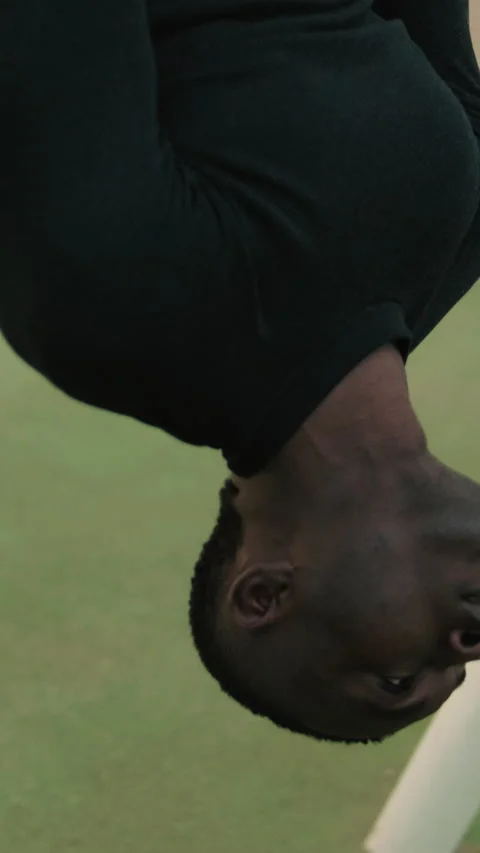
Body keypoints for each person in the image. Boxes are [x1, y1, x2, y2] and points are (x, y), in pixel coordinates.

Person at [2, 0, 480, 745]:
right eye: (458, 675)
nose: (467, 650)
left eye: (397, 681)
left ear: (265, 593)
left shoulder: (117, 316)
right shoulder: (460, 239)